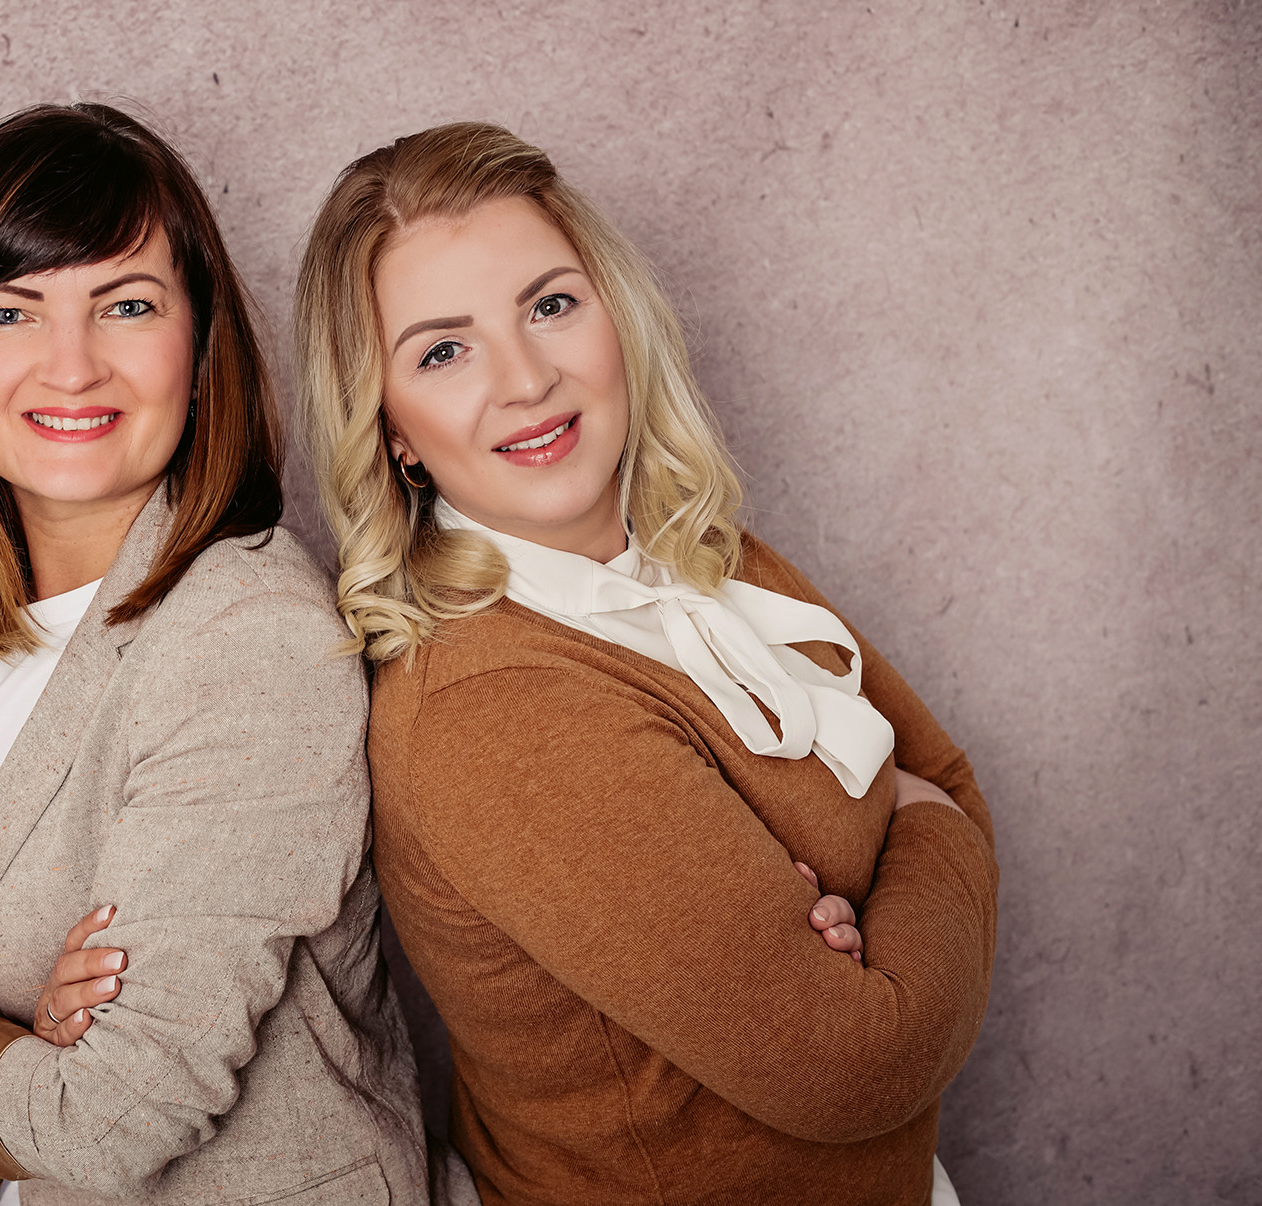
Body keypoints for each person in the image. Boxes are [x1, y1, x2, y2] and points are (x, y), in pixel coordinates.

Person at [294, 122, 996, 1206]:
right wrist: (919, 831)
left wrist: (911, 837)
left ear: (614, 312)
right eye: (442, 351)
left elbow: (944, 778)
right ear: (389, 430)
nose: (527, 379)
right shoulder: (492, 711)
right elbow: (858, 1061)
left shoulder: (705, 555)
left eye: (549, 305)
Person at [0, 104, 437, 1205]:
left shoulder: (249, 637)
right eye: (11, 311)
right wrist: (5, 1045)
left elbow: (105, 1121)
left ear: (200, 347)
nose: (71, 367)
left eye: (128, 305)